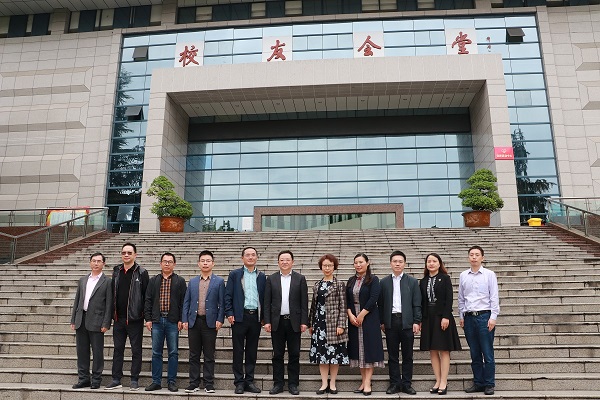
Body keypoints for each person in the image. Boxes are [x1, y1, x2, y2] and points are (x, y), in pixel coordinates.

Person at [264, 250, 309, 395]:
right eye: (282, 260)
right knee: (277, 354)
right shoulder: (271, 279)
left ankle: (293, 384)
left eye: (287, 259)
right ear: (278, 262)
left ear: (292, 262)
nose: (285, 262)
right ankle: (278, 384)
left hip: (294, 322)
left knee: (294, 354)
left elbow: (304, 302)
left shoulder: (300, 278)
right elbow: (267, 302)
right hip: (277, 322)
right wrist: (267, 321)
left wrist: (304, 321)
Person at [106, 242, 149, 391]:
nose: (126, 255)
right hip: (119, 319)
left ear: (135, 255)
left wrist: (145, 316)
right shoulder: (116, 271)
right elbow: (112, 293)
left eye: (129, 253)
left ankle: (134, 379)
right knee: (118, 349)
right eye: (124, 252)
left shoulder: (141, 272)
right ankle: (116, 379)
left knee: (136, 350)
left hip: (135, 319)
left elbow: (146, 296)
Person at [378, 250, 422, 395]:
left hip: (407, 322)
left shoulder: (412, 282)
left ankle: (407, 384)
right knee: (392, 355)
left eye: (400, 261)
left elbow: (417, 303)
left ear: (404, 264)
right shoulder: (384, 282)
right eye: (395, 261)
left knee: (408, 355)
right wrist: (382, 321)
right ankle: (395, 383)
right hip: (391, 322)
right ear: (390, 263)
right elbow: (381, 304)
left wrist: (416, 321)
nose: (397, 264)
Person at [458, 246, 500, 396]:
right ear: (468, 257)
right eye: (471, 254)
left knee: (487, 353)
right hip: (469, 318)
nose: (474, 257)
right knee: (474, 353)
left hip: (484, 317)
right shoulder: (463, 275)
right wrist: (461, 316)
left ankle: (489, 384)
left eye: (477, 255)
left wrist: (493, 317)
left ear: (482, 257)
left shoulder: (489, 274)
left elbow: (494, 296)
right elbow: (461, 298)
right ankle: (478, 382)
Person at [224, 246, 266, 394]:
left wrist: (264, 317)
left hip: (255, 317)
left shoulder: (261, 276)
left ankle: (249, 381)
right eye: (247, 255)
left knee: (252, 351)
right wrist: (229, 312)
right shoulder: (235, 275)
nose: (250, 257)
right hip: (239, 317)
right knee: (238, 350)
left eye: (253, 255)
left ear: (257, 257)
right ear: (242, 258)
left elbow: (265, 298)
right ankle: (239, 382)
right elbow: (228, 295)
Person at [182, 250, 225, 394]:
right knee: (193, 354)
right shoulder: (193, 281)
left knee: (209, 354)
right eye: (203, 261)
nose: (205, 263)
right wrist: (185, 319)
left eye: (208, 261)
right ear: (198, 264)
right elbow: (186, 302)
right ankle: (193, 383)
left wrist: (220, 319)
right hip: (194, 322)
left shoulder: (219, 281)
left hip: (210, 323)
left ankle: (209, 383)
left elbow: (222, 303)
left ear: (213, 263)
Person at [419, 253, 462, 395]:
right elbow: (422, 302)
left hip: (442, 317)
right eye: (429, 261)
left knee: (444, 350)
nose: (431, 263)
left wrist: (445, 316)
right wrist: (420, 320)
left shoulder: (445, 278)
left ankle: (444, 381)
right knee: (432, 350)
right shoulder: (423, 281)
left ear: (439, 263)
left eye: (434, 261)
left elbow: (449, 299)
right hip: (428, 318)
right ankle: (437, 380)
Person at [144, 252, 187, 392]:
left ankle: (171, 381)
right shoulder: (153, 280)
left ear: (174, 264)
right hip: (157, 321)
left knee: (173, 352)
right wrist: (148, 319)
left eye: (170, 262)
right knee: (156, 352)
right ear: (160, 264)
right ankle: (156, 381)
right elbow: (148, 300)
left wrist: (181, 319)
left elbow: (183, 302)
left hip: (172, 321)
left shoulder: (180, 281)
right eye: (165, 261)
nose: (167, 264)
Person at [308, 254, 349, 395]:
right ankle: (324, 383)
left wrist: (341, 325)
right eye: (325, 265)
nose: (327, 268)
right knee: (322, 355)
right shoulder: (317, 285)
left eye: (330, 265)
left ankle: (332, 383)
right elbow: (314, 306)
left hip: (334, 325)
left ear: (334, 267)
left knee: (334, 355)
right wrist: (311, 323)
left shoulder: (339, 284)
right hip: (319, 324)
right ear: (321, 267)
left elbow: (343, 306)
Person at [70, 252, 112, 390]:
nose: (96, 263)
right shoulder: (83, 280)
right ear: (90, 263)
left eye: (99, 261)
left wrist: (106, 323)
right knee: (82, 351)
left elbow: (109, 304)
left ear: (103, 264)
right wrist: (73, 319)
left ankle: (96, 379)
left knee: (97, 352)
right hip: (81, 319)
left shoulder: (107, 281)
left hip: (97, 321)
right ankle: (83, 379)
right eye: (94, 261)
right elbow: (77, 301)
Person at [346, 253, 384, 396]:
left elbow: (373, 298)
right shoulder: (351, 280)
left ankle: (368, 382)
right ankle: (363, 381)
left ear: (368, 263)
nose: (358, 265)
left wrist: (362, 314)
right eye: (356, 262)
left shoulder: (373, 279)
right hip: (353, 319)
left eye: (361, 262)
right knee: (358, 351)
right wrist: (350, 315)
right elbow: (347, 300)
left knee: (369, 349)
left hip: (369, 317)